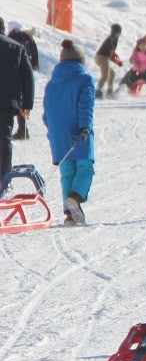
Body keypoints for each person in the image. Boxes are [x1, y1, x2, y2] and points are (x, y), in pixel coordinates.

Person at [42, 39, 95, 225]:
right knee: (85, 168)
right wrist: (84, 127)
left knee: (67, 172)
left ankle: (70, 215)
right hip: (78, 132)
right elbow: (86, 105)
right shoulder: (85, 79)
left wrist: (53, 132)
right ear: (80, 61)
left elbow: (46, 112)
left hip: (58, 136)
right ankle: (74, 197)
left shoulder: (51, 84)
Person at [0, 22, 34, 176]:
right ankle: (4, 178)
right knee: (4, 139)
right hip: (7, 102)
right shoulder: (17, 47)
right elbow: (27, 77)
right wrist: (27, 103)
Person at [6, 21, 39, 139]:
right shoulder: (28, 37)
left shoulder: (9, 38)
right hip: (25, 71)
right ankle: (23, 129)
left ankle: (22, 130)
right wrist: (35, 64)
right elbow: (34, 51)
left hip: (13, 75)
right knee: (22, 102)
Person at [93, 24, 123, 99]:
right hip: (102, 57)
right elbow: (110, 49)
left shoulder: (112, 37)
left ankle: (109, 91)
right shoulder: (113, 37)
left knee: (112, 73)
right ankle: (98, 91)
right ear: (119, 32)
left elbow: (111, 53)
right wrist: (111, 48)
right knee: (105, 75)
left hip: (100, 57)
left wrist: (118, 62)